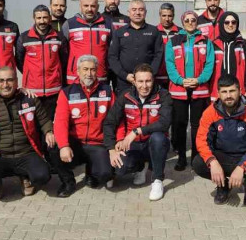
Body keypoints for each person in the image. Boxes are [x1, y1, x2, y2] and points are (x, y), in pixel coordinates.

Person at [0, 67, 56, 201]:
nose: (5, 84)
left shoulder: (30, 99)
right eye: (1, 81)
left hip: (26, 153)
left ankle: (25, 177)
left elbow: (45, 121)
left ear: (16, 82)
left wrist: (49, 131)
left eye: (10, 80)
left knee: (43, 175)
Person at [192, 75, 246, 207]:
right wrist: (212, 162)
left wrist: (242, 167)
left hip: (244, 156)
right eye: (224, 92)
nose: (228, 95)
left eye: (232, 91)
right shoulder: (210, 112)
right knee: (198, 163)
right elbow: (201, 140)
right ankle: (223, 185)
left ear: (239, 91)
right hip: (222, 157)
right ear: (218, 93)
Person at [103, 64, 172, 201]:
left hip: (152, 143)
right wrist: (112, 148)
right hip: (132, 144)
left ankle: (157, 181)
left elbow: (164, 123)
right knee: (120, 169)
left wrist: (137, 131)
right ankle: (141, 167)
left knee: (158, 138)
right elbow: (109, 122)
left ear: (153, 80)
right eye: (140, 81)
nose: (144, 86)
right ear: (134, 81)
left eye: (148, 81)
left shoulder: (163, 95)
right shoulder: (125, 96)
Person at [50, 55, 115, 197]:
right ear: (78, 71)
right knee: (53, 146)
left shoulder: (108, 92)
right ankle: (68, 182)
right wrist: (64, 146)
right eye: (85, 69)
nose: (89, 73)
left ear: (97, 71)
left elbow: (116, 120)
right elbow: (61, 121)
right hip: (76, 143)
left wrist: (114, 146)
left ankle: (90, 173)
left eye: (92, 70)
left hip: (98, 143)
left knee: (105, 174)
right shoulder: (66, 93)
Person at [165, 10, 215, 171]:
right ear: (182, 22)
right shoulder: (173, 41)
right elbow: (170, 64)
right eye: (187, 20)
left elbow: (209, 64)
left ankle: (195, 157)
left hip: (199, 89)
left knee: (197, 125)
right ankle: (180, 157)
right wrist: (181, 80)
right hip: (179, 89)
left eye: (193, 20)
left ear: (197, 22)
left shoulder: (205, 41)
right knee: (179, 125)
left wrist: (199, 80)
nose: (190, 22)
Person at [16, 5, 69, 118]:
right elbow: (19, 61)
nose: (42, 21)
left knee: (50, 122)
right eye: (39, 18)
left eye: (45, 17)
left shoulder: (59, 37)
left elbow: (63, 59)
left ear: (50, 18)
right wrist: (30, 73)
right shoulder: (24, 37)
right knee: (33, 123)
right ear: (34, 18)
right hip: (31, 91)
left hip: (53, 90)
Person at [108, 0, 163, 94]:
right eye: (134, 9)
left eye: (141, 10)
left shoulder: (154, 31)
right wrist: (124, 75)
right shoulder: (119, 32)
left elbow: (159, 55)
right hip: (124, 82)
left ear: (145, 12)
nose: (137, 13)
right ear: (129, 12)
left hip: (147, 83)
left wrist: (149, 75)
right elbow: (112, 57)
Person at [60, 0, 113, 85]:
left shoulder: (108, 24)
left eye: (93, 6)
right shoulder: (69, 24)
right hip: (75, 78)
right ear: (80, 6)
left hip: (100, 77)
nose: (89, 9)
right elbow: (62, 53)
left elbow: (112, 51)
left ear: (98, 7)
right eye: (86, 6)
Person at [211, 12, 246, 101]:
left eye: (233, 22)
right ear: (222, 24)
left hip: (239, 92)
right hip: (217, 93)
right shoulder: (213, 44)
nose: (230, 25)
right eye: (227, 22)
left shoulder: (243, 44)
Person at [155, 3, 180, 87]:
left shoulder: (181, 33)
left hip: (175, 76)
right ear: (159, 15)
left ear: (173, 16)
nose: (167, 19)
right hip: (157, 76)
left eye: (170, 16)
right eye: (164, 15)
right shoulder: (153, 31)